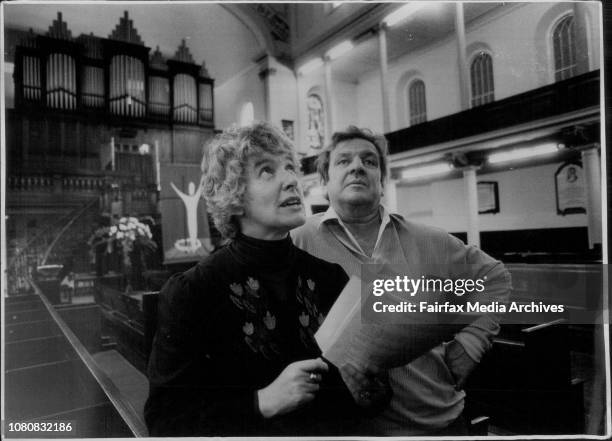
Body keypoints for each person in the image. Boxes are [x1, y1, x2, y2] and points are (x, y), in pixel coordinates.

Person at [292, 126, 512, 435]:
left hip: (437, 419)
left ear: (381, 180)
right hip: (349, 428)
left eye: (369, 161)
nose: (357, 166)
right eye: (343, 161)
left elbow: (495, 277)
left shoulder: (426, 239)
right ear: (324, 180)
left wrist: (471, 344)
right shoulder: (297, 241)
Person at [144, 122, 360, 436]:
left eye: (289, 167)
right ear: (234, 195)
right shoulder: (193, 292)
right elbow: (166, 421)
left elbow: (353, 399)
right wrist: (260, 402)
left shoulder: (330, 278)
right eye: (266, 171)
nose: (290, 180)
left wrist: (367, 391)